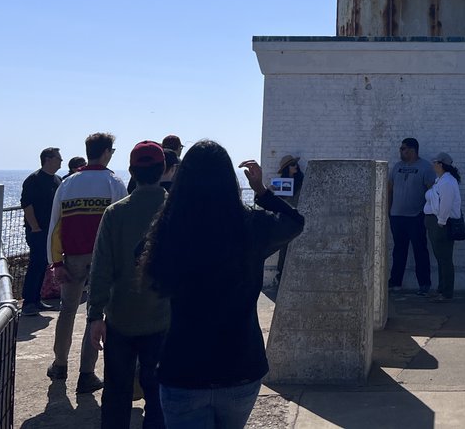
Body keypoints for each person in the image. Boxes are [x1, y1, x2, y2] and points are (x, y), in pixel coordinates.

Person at [142, 141, 304, 428]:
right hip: (240, 365)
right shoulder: (251, 226)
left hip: (183, 367)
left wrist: (174, 204)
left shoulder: (171, 228)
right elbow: (295, 222)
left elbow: (144, 264)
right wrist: (262, 192)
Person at [87, 141, 170, 429]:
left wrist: (95, 315)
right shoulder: (176, 209)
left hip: (120, 318)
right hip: (164, 318)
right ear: (164, 169)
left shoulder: (115, 213)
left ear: (132, 170)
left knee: (116, 393)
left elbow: (101, 269)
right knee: (158, 394)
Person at [46, 132, 127, 393]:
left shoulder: (68, 184)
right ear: (106, 152)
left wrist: (55, 262)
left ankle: (59, 364)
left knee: (67, 311)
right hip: (104, 260)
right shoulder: (114, 183)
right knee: (96, 314)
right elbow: (121, 228)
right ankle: (86, 373)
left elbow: (55, 227)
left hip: (72, 258)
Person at [387, 137, 434, 295]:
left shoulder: (425, 167)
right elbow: (390, 189)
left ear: (412, 150)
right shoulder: (397, 167)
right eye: (401, 149)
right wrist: (389, 210)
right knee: (399, 250)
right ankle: (395, 283)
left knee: (420, 250)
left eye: (403, 148)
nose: (401, 151)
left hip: (416, 217)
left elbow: (432, 192)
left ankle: (424, 284)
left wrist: (426, 214)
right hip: (397, 216)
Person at [21, 147, 62, 316]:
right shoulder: (34, 180)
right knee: (36, 264)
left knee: (43, 264)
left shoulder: (57, 180)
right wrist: (35, 227)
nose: (61, 161)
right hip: (38, 231)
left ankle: (36, 300)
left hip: (51, 231)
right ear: (48, 159)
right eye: (58, 158)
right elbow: (27, 204)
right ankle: (28, 301)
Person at [424, 152, 462, 301]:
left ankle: (446, 292)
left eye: (435, 162)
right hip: (436, 222)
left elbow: (445, 203)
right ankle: (441, 289)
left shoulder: (447, 182)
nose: (433, 164)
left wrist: (441, 222)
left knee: (445, 258)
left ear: (441, 164)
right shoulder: (441, 180)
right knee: (440, 258)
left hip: (442, 223)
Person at [273, 154, 303, 286]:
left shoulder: (301, 180)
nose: (295, 166)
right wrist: (272, 191)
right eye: (292, 165)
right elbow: (279, 202)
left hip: (298, 216)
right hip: (286, 217)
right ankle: (280, 276)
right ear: (287, 169)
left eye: (295, 164)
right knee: (284, 246)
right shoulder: (281, 183)